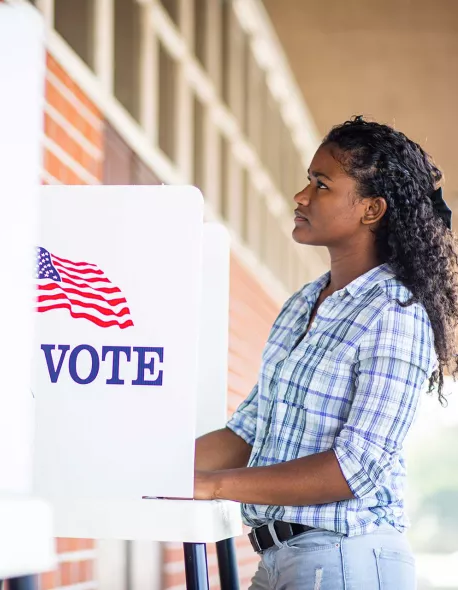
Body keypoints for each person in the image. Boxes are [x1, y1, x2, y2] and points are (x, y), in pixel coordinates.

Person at [194, 117, 458, 589]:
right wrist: (155, 468)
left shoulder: (396, 313)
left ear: (371, 210)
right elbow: (249, 430)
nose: (301, 196)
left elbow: (355, 466)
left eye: (321, 185)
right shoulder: (301, 304)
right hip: (279, 560)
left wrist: (215, 485)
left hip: (346, 560)